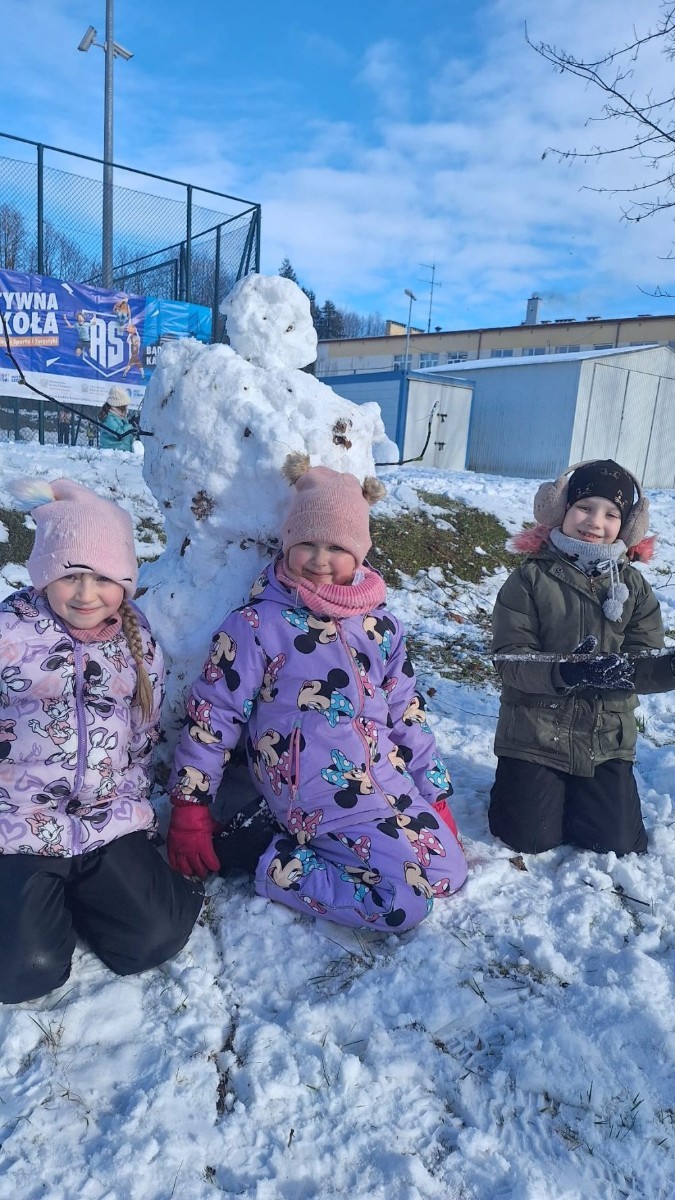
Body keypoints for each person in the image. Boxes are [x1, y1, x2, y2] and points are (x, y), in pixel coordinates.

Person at [166, 453, 467, 932]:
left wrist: (435, 795)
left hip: (387, 783)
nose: (320, 560)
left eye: (336, 546)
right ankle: (267, 856)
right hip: (314, 793)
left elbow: (406, 711)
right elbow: (213, 715)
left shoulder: (382, 627)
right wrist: (190, 806)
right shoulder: (257, 625)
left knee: (449, 875)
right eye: (306, 543)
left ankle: (339, 848)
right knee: (402, 904)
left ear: (361, 552)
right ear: (286, 545)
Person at [0, 479, 203, 1005]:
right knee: (25, 971)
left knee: (155, 937)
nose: (86, 594)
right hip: (19, 822)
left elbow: (142, 735)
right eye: (70, 576)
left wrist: (131, 803)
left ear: (126, 581)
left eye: (102, 578)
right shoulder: (9, 634)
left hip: (103, 820)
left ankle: (88, 889)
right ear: (45, 573)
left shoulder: (136, 642)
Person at [489, 458, 672, 858]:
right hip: (535, 731)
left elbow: (644, 658)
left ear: (626, 525)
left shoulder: (633, 586)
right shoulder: (529, 579)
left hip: (603, 737)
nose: (594, 521)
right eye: (584, 507)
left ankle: (580, 792)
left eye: (610, 514)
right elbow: (509, 659)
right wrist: (565, 671)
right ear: (561, 510)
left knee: (617, 843)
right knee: (529, 839)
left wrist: (661, 668)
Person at [99, 385, 136, 452]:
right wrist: (130, 425)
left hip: (122, 451)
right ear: (119, 405)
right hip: (113, 453)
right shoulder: (108, 418)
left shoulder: (119, 416)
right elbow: (119, 434)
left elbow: (126, 431)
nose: (126, 408)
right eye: (125, 406)